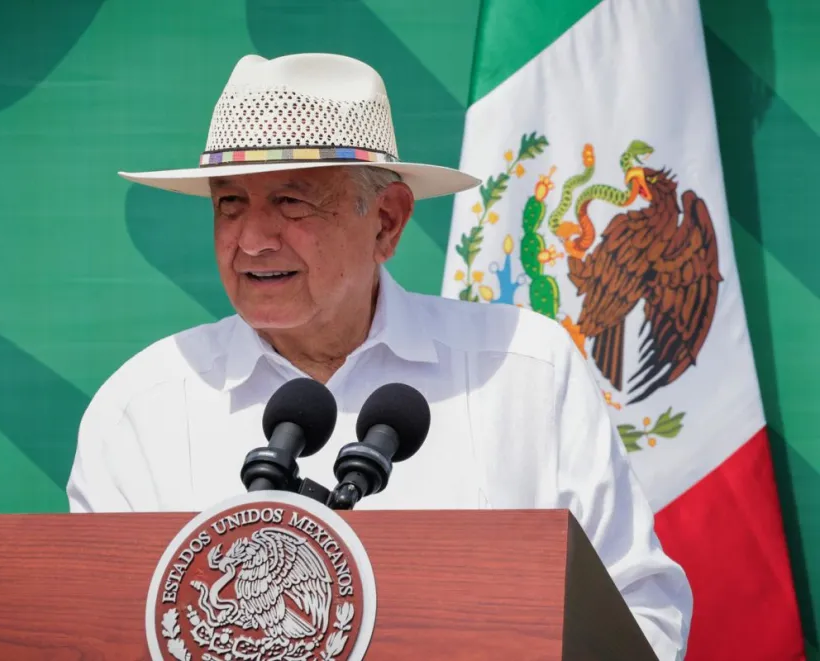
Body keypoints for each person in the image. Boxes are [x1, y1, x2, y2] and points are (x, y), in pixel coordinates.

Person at [66, 53, 692, 660]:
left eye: (291, 201)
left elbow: (640, 609)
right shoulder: (139, 410)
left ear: (387, 222)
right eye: (231, 203)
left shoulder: (524, 369)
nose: (252, 240)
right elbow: (85, 632)